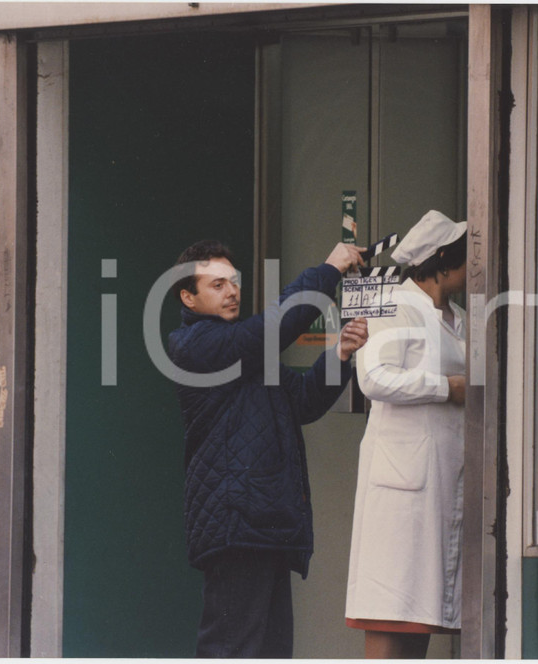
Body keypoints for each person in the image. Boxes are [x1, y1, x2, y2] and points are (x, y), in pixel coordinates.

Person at [167, 239, 369, 658]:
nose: (232, 291)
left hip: (264, 521)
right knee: (233, 649)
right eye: (217, 285)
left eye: (234, 282)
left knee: (270, 650)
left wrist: (342, 353)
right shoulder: (196, 344)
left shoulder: (243, 348)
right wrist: (328, 268)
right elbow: (276, 326)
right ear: (189, 297)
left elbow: (304, 402)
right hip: (236, 523)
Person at [345, 210, 468, 658]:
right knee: (388, 608)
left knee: (419, 615)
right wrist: (445, 388)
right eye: (464, 256)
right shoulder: (394, 305)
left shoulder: (458, 317)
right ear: (441, 259)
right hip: (401, 485)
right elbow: (374, 377)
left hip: (439, 479)